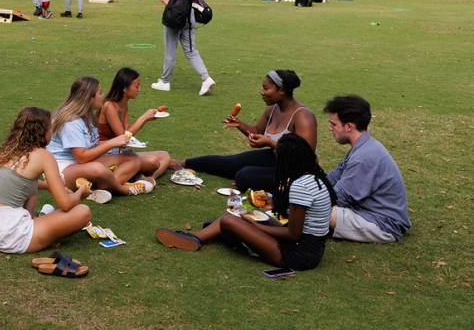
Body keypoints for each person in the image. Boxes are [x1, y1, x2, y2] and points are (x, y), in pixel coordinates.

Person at [156, 133, 335, 272]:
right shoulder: (315, 177)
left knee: (230, 220)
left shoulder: (300, 186)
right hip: (310, 247)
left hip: (297, 255)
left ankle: (216, 234)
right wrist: (271, 203)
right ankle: (201, 236)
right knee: (242, 213)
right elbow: (299, 217)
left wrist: (255, 226)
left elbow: (292, 234)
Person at [173, 70, 316, 194]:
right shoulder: (272, 109)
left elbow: (305, 156)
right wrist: (239, 124)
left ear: (282, 90)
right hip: (275, 158)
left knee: (244, 176)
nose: (262, 92)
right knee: (231, 163)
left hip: (298, 171)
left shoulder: (303, 116)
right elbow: (256, 131)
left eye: (266, 88)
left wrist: (270, 143)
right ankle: (183, 163)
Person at [0, 106, 93, 255]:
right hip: (12, 236)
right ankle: (44, 232)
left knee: (32, 193)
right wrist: (81, 193)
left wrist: (49, 186)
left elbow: (17, 182)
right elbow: (65, 204)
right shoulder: (44, 156)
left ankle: (38, 223)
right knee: (83, 212)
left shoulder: (6, 150)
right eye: (50, 128)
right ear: (43, 133)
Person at [324, 95, 411, 242]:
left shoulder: (365, 156)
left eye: (333, 124)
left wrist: (302, 199)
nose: (330, 128)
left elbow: (339, 198)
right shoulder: (363, 146)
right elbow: (333, 177)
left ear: (349, 126)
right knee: (307, 203)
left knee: (311, 209)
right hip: (368, 213)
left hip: (384, 225)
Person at [46, 77, 151, 196]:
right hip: (62, 169)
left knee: (132, 159)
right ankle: (124, 189)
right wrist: (111, 143)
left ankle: (98, 188)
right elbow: (82, 157)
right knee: (98, 168)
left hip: (80, 164)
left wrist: (115, 144)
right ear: (89, 98)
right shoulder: (71, 121)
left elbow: (91, 145)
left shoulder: (88, 115)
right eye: (100, 92)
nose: (103, 95)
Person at [151, 0, 216, 96]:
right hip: (190, 19)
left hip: (175, 20)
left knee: (170, 51)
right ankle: (206, 78)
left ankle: (164, 81)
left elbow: (168, 2)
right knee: (191, 51)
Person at [99, 68, 171, 183]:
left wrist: (146, 119)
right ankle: (132, 175)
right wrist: (143, 118)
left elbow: (128, 132)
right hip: (106, 155)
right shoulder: (109, 106)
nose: (139, 89)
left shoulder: (124, 104)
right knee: (153, 161)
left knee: (165, 156)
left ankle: (149, 179)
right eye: (137, 86)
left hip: (120, 153)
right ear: (124, 88)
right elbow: (123, 138)